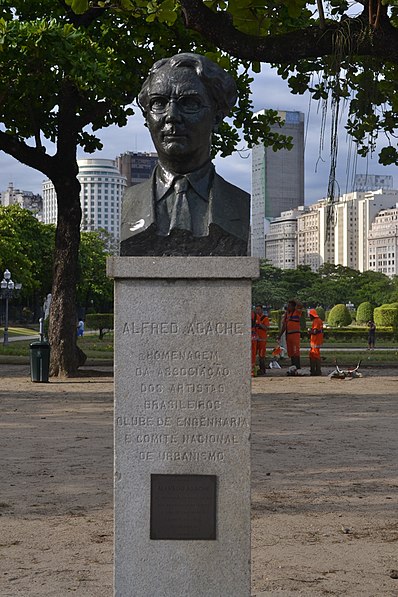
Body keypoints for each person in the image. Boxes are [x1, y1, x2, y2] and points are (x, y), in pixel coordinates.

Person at [120, 53, 250, 256]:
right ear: (147, 118)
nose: (171, 116)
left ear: (216, 117)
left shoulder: (239, 203)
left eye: (189, 103)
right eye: (159, 103)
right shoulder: (129, 202)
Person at [279, 299, 303, 373]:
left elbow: (300, 305)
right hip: (288, 335)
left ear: (293, 307)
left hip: (295, 334)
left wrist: (294, 301)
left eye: (289, 306)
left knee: (296, 352)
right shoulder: (287, 314)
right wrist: (279, 335)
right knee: (291, 352)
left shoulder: (297, 312)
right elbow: (284, 326)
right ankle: (293, 367)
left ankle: (297, 368)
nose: (288, 307)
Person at [251, 304, 270, 376]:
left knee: (262, 355)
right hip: (255, 339)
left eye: (259, 309)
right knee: (253, 354)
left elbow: (266, 328)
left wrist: (259, 324)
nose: (257, 311)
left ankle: (262, 370)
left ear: (262, 310)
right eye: (256, 309)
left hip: (262, 339)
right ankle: (255, 369)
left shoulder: (265, 318)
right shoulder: (254, 317)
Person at [308, 308, 323, 376]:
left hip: (315, 342)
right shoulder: (319, 320)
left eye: (310, 315)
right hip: (316, 341)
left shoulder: (316, 321)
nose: (309, 317)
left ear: (312, 315)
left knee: (316, 356)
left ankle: (317, 371)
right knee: (312, 356)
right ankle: (314, 370)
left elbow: (315, 331)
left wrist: (309, 331)